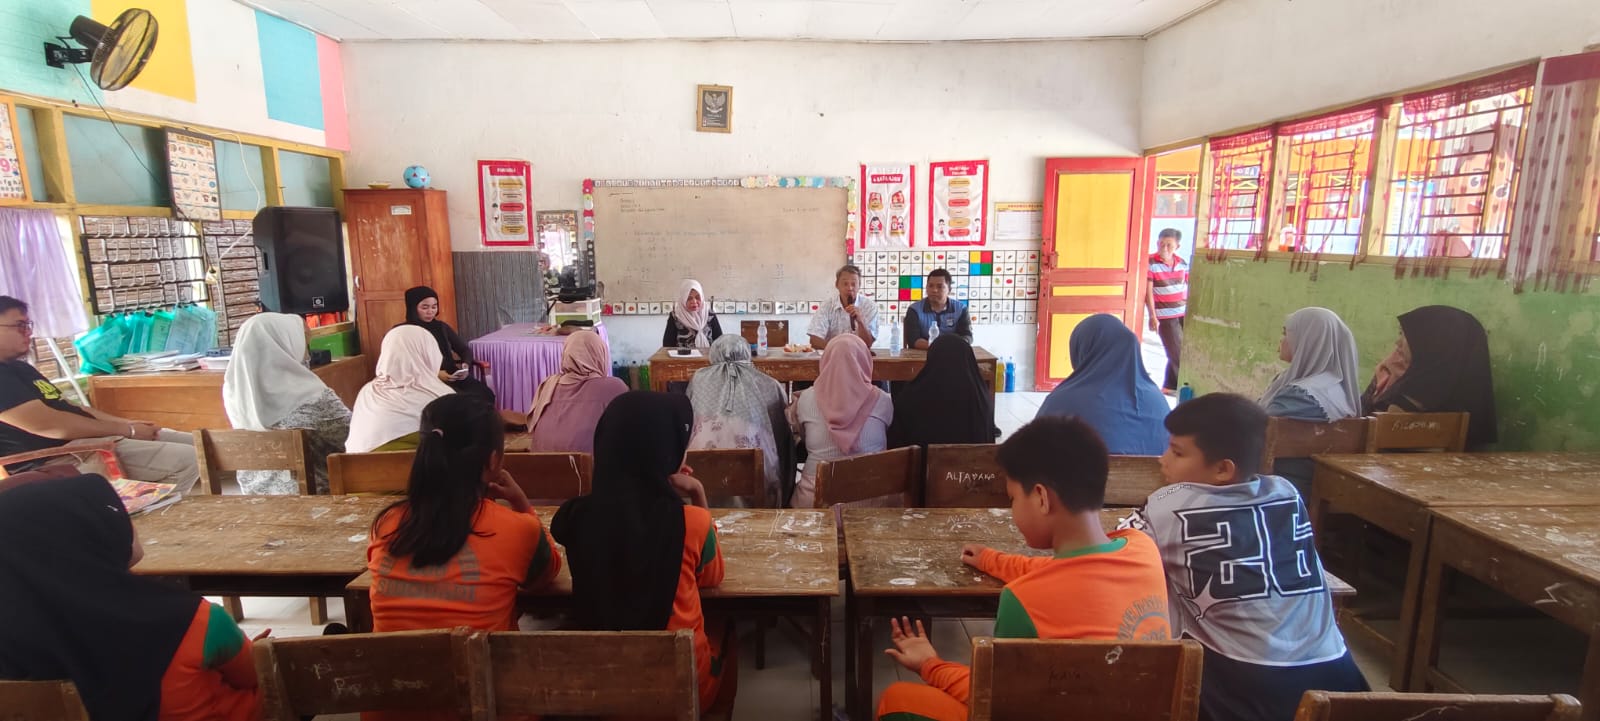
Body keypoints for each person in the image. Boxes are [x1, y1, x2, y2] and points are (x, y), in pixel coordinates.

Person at [874, 416, 1171, 721]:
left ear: (1041, 498)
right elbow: (1065, 571)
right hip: (1137, 710)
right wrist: (992, 560)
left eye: (1013, 499)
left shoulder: (1023, 600)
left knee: (897, 700)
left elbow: (995, 698)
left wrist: (930, 664)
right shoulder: (1142, 549)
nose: (1012, 509)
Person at [1126, 393, 1368, 721]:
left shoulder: (1167, 506)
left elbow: (1120, 552)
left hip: (1248, 689)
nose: (1162, 459)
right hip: (1338, 680)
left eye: (1177, 452)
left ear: (1223, 469)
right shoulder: (1287, 493)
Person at [0, 473, 262, 721]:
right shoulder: (195, 620)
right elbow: (259, 675)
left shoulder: (14, 641)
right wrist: (262, 652)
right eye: (118, 514)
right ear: (91, 537)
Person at [552, 392, 734, 708]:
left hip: (605, 690)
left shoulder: (574, 517)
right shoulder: (690, 522)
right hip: (680, 691)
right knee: (727, 628)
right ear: (666, 453)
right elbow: (712, 577)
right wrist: (698, 495)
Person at [367, 395, 560, 637]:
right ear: (493, 461)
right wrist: (522, 505)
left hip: (391, 662)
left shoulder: (385, 524)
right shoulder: (518, 529)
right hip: (482, 662)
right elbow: (544, 578)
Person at [0, 296, 200, 492]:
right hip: (56, 459)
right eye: (19, 325)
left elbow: (74, 409)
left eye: (28, 325)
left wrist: (130, 424)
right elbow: (49, 425)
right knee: (190, 460)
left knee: (201, 445)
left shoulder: (20, 368)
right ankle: (150, 514)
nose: (28, 332)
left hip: (87, 442)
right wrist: (127, 431)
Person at [223, 313, 351, 495]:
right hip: (315, 498)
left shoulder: (235, 393)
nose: (307, 353)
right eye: (304, 343)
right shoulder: (312, 396)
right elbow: (354, 437)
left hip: (255, 499)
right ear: (286, 344)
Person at [1361, 305, 1497, 449]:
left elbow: (1386, 438)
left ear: (1430, 344)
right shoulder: (1466, 393)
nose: (1398, 343)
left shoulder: (1416, 391)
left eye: (1405, 335)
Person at [1036, 314, 1168, 456]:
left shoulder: (1061, 401)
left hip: (1082, 471)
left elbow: (1032, 452)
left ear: (1081, 349)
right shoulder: (1158, 401)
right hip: (1152, 471)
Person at [788, 334, 893, 508]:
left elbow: (806, 441)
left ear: (825, 362)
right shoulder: (883, 400)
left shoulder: (806, 399)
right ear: (865, 362)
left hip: (815, 503)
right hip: (872, 504)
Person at [686, 334, 792, 506]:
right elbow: (781, 432)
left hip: (701, 477)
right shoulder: (769, 383)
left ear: (713, 355)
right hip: (756, 477)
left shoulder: (699, 379)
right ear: (747, 354)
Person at [346, 325, 454, 453]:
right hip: (416, 465)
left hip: (359, 464)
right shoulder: (443, 397)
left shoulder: (366, 392)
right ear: (429, 353)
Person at [525, 330, 628, 453]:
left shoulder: (548, 384)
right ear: (601, 354)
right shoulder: (613, 387)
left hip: (542, 462)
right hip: (588, 464)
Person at [887, 335, 993, 449]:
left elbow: (895, 444)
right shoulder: (981, 400)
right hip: (971, 460)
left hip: (922, 461)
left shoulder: (909, 399)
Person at [1261, 307, 1362, 422]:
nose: (1281, 340)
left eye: (1285, 333)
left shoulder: (1300, 397)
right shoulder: (1340, 392)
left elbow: (1256, 426)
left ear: (1307, 340)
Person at [402, 286, 494, 402]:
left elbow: (464, 349)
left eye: (434, 307)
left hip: (452, 375)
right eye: (425, 308)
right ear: (412, 308)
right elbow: (405, 364)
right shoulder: (402, 331)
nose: (430, 311)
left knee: (485, 394)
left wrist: (465, 365)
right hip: (424, 379)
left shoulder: (441, 327)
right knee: (458, 401)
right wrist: (436, 374)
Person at [1146, 229, 1189, 393]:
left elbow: (1186, 286)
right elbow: (1148, 292)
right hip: (1165, 316)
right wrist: (1153, 316)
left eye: (1169, 245)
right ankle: (1177, 386)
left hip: (1182, 313)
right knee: (1177, 352)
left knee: (1180, 349)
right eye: (1161, 244)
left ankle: (1169, 386)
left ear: (1177, 246)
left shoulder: (1182, 263)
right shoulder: (1151, 263)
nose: (1164, 248)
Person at [808, 264, 878, 349]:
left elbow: (868, 344)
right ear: (837, 285)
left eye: (853, 284)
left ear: (859, 285)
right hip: (833, 354)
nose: (850, 288)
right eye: (845, 284)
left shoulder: (870, 306)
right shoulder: (827, 306)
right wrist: (839, 350)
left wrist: (860, 321)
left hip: (859, 355)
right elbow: (814, 340)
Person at [901, 269, 973, 349]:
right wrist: (940, 348)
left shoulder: (961, 309)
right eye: (930, 286)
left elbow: (967, 336)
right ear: (926, 288)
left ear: (949, 290)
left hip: (953, 352)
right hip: (924, 353)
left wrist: (951, 347)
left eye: (940, 286)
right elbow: (913, 340)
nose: (934, 290)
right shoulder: (914, 310)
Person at [663, 279, 723, 349]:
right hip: (682, 355)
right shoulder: (676, 316)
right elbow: (667, 345)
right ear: (683, 299)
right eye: (689, 298)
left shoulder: (710, 315)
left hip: (708, 355)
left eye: (697, 297)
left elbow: (720, 342)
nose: (694, 301)